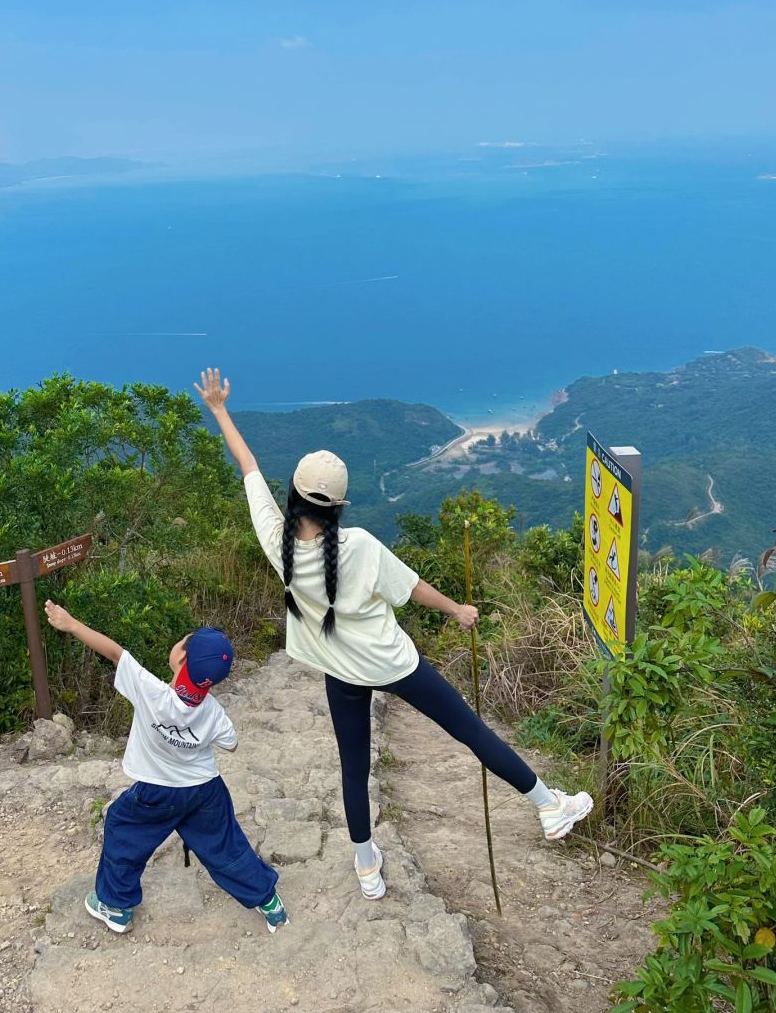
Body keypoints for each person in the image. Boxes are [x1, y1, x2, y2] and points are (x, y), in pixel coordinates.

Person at [195, 368, 593, 902]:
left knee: (353, 768)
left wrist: (219, 409)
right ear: (336, 508)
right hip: (393, 663)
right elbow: (414, 588)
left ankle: (366, 866)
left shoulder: (277, 544)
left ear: (291, 496)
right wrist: (458, 610)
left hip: (340, 672)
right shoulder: (357, 544)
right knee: (469, 731)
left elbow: (248, 467)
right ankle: (548, 805)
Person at [43, 601, 287, 934]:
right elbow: (231, 744)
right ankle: (268, 901)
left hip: (156, 792)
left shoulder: (152, 693)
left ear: (181, 658)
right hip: (205, 791)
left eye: (182, 641)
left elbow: (116, 654)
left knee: (122, 829)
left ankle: (115, 906)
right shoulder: (213, 713)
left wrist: (71, 624)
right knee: (226, 846)